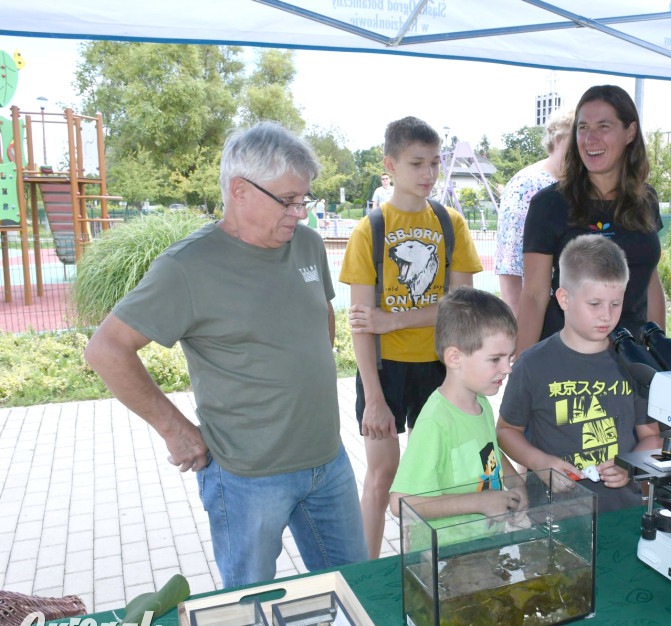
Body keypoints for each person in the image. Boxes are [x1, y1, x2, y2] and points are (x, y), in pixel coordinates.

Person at [84, 121, 368, 588]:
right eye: (289, 200)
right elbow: (106, 349)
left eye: (304, 199)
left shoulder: (308, 244)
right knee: (248, 605)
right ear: (240, 190)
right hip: (246, 476)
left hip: (327, 462)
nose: (301, 212)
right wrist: (175, 430)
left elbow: (321, 321)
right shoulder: (187, 267)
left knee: (353, 590)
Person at [339, 116, 482, 558]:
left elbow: (461, 306)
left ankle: (429, 562)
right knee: (382, 475)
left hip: (441, 368)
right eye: (417, 163)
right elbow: (363, 324)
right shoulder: (370, 230)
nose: (428, 174)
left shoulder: (450, 223)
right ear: (391, 165)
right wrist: (376, 398)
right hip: (384, 370)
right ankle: (365, 573)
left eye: (435, 163)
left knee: (439, 476)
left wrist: (395, 320)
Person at [498, 235, 662, 511]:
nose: (607, 316)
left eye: (615, 303)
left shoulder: (635, 364)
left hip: (622, 512)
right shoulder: (532, 365)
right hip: (554, 518)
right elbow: (505, 432)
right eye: (595, 304)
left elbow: (651, 436)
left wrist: (628, 467)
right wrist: (540, 464)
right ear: (564, 298)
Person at [516, 84, 666, 357]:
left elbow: (650, 279)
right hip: (567, 360)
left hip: (632, 362)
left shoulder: (646, 200)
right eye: (583, 128)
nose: (590, 139)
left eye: (603, 126)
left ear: (630, 132)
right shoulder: (549, 204)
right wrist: (523, 372)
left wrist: (659, 349)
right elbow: (534, 295)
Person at [389, 287, 524, 538]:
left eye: (510, 357)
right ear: (455, 357)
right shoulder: (435, 422)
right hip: (447, 559)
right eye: (495, 359)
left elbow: (487, 451)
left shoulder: (480, 403)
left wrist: (515, 481)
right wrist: (479, 502)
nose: (508, 369)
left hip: (480, 547)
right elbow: (401, 503)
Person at [495, 108, 575, 314]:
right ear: (557, 139)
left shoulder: (580, 185)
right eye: (575, 136)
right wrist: (520, 333)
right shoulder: (526, 186)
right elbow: (511, 270)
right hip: (541, 320)